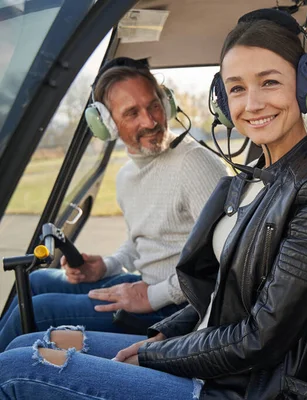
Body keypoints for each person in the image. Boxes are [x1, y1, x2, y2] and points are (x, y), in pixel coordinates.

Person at [0, 9, 307, 400]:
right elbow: (220, 292)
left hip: (239, 388)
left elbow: (260, 338)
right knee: (23, 346)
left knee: (15, 369)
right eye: (236, 88)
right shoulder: (251, 179)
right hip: (202, 354)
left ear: (306, 86)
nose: (252, 104)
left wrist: (158, 353)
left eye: (269, 82)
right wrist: (166, 331)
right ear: (222, 99)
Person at [0, 58, 229, 351]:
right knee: (38, 281)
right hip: (150, 289)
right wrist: (107, 266)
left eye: (154, 105)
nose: (150, 121)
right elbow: (144, 241)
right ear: (106, 124)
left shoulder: (195, 164)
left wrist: (153, 296)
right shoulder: (127, 176)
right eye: (132, 113)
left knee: (37, 311)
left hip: (181, 310)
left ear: (167, 102)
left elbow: (226, 261)